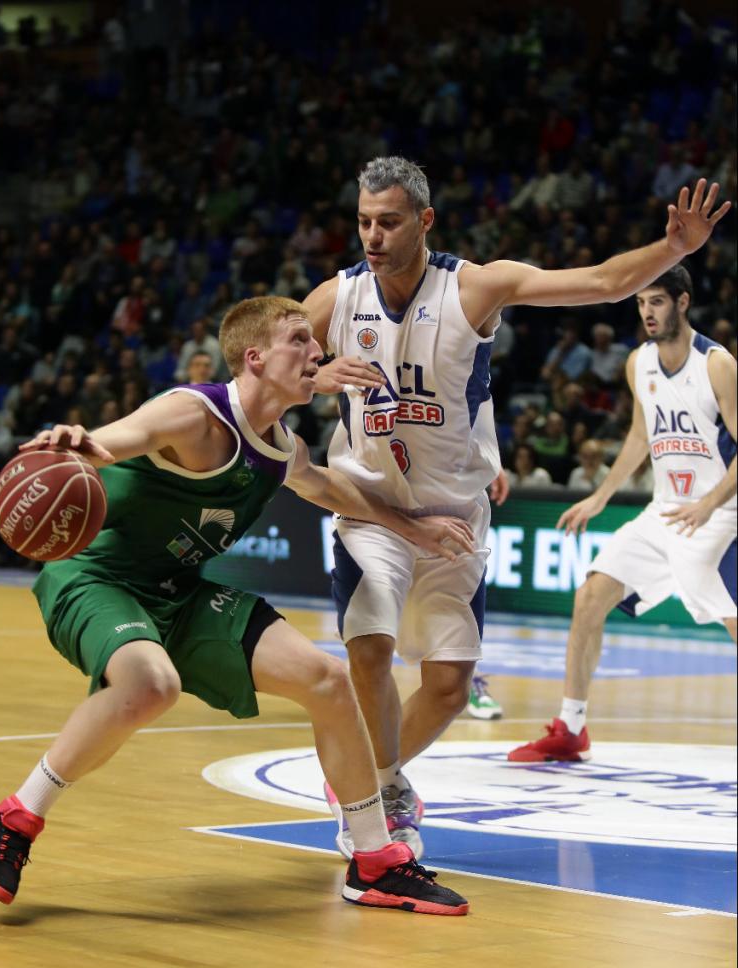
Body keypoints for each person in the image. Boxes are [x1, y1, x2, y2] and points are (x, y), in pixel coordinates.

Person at [0, 296, 474, 916]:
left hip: (176, 589)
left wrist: (412, 528)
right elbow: (118, 439)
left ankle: (374, 861)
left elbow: (322, 485)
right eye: (300, 340)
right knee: (151, 684)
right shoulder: (193, 413)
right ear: (255, 358)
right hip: (96, 577)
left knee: (326, 678)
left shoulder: (280, 446)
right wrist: (81, 441)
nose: (317, 351)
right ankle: (14, 818)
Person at [303, 156, 730, 857]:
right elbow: (262, 360)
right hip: (371, 506)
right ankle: (377, 791)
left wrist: (673, 249)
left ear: (424, 220)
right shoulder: (335, 298)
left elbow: (598, 283)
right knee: (370, 647)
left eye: (388, 221)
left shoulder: (475, 287)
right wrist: (318, 376)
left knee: (447, 686)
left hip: (455, 513)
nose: (372, 236)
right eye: (362, 222)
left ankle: (375, 773)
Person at [509, 265, 736, 762]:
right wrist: (601, 496)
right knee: (590, 596)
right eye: (640, 303)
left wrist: (709, 503)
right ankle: (571, 728)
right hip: (664, 513)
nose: (647, 312)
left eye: (657, 301)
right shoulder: (640, 363)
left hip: (722, 513)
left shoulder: (717, 365)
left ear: (682, 302)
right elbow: (640, 435)